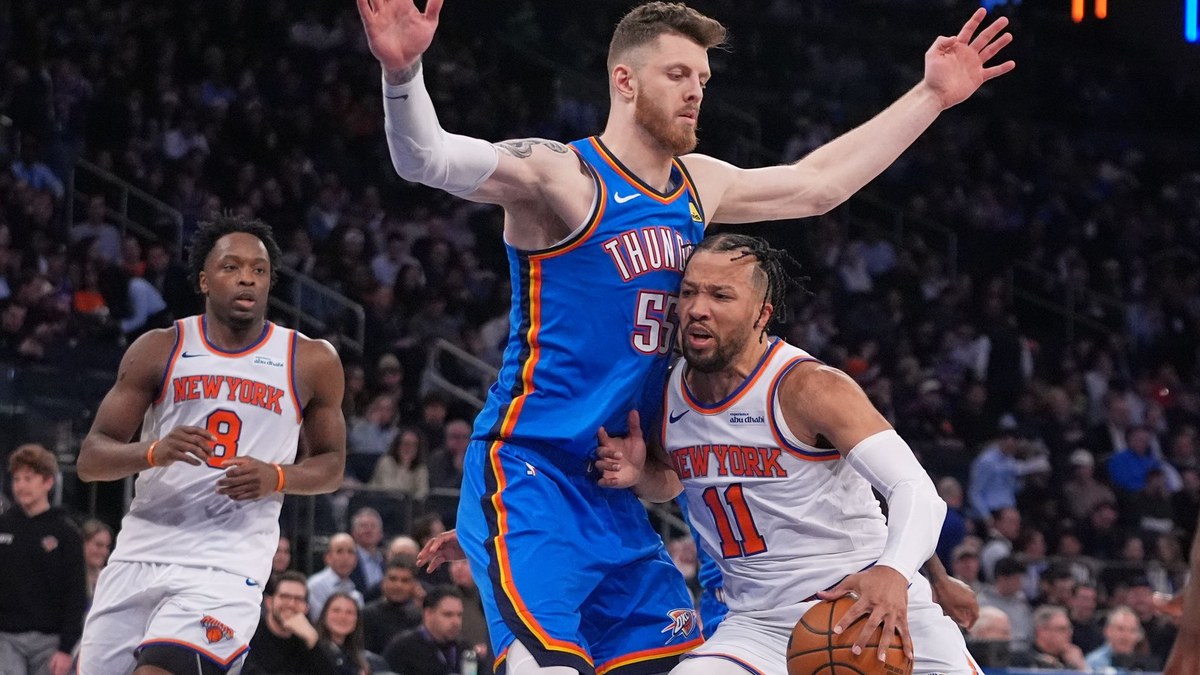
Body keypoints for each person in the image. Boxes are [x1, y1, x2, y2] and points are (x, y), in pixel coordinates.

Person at [358, 0, 1013, 669]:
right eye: (678, 73)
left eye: (702, 77)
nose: (696, 90)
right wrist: (403, 72)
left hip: (615, 483)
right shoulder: (563, 176)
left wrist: (931, 94)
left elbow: (819, 185)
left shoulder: (699, 184)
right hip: (533, 468)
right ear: (625, 80)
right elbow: (426, 159)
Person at [593, 234, 981, 674]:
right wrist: (640, 473)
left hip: (869, 598)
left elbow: (915, 490)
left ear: (762, 314)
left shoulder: (810, 387)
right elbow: (674, 481)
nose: (698, 308)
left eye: (721, 295)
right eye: (688, 292)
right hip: (759, 624)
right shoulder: (665, 391)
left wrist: (898, 572)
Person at [74, 214, 347, 675]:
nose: (247, 278)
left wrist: (277, 476)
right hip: (141, 550)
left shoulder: (310, 359)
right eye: (232, 267)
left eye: (259, 270)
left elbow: (332, 464)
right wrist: (152, 451)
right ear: (203, 279)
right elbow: (90, 459)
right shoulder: (161, 347)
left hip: (226, 563)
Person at [0, 444, 86, 675]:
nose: (20, 486)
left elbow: (75, 592)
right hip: (5, 638)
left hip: (50, 641)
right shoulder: (3, 526)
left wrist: (67, 648)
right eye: (17, 479)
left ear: (48, 482)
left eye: (28, 478)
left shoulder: (66, 532)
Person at [243, 572, 338, 675]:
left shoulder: (309, 640)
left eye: (298, 599)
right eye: (284, 596)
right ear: (269, 603)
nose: (291, 604)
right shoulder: (249, 635)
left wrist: (313, 641)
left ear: (306, 608)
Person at [382, 586, 477, 675]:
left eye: (459, 615)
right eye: (448, 615)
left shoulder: (465, 649)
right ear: (428, 614)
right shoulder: (402, 648)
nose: (456, 622)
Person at [362, 557, 422, 655]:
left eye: (405, 580)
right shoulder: (367, 615)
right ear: (383, 581)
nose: (398, 585)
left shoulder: (418, 617)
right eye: (393, 579)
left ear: (414, 585)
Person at [978, 557, 1034, 653]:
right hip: (993, 654)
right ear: (1002, 579)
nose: (1021, 585)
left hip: (1024, 654)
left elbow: (1030, 636)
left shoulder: (1022, 604)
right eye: (1017, 579)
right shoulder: (982, 603)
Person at [1009, 606, 1088, 671]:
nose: (1069, 634)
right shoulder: (1022, 661)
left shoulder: (1069, 659)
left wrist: (1079, 666)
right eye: (1062, 629)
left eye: (1070, 629)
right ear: (1042, 632)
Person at [1085, 606, 1160, 672]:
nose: (1126, 636)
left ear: (1138, 636)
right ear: (1107, 631)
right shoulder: (1094, 663)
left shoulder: (1144, 666)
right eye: (1120, 629)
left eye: (1132, 631)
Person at [310, 534, 366, 622]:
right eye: (339, 551)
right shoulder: (315, 585)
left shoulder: (355, 592)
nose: (345, 557)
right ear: (328, 557)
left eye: (350, 552)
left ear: (355, 560)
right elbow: (319, 621)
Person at [368, 426, 430, 500]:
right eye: (406, 443)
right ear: (397, 446)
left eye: (414, 445)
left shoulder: (421, 468)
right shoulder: (386, 461)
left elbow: (423, 494)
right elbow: (390, 491)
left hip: (407, 508)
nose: (409, 448)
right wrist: (404, 465)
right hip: (380, 503)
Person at [315, 593, 370, 675]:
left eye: (349, 612)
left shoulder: (363, 659)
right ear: (324, 615)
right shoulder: (313, 651)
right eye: (336, 611)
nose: (343, 617)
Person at [350, 508, 387, 593]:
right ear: (354, 533)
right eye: (363, 526)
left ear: (381, 533)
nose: (369, 530)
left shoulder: (387, 560)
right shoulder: (349, 559)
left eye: (373, 526)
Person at [81, 519, 113, 602]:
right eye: (99, 545)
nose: (104, 552)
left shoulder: (109, 580)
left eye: (107, 546)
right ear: (83, 543)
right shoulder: (67, 577)